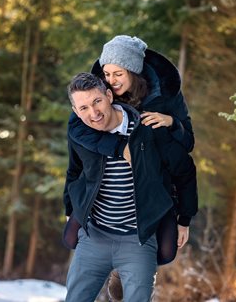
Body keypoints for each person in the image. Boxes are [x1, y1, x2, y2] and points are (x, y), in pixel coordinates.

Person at [63, 73, 197, 302]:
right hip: (94, 234)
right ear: (76, 112)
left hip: (138, 239)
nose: (93, 113)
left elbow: (184, 170)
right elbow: (74, 171)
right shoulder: (81, 135)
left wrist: (184, 219)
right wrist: (70, 211)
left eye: (97, 102)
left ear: (109, 96)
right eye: (83, 108)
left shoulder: (148, 129)